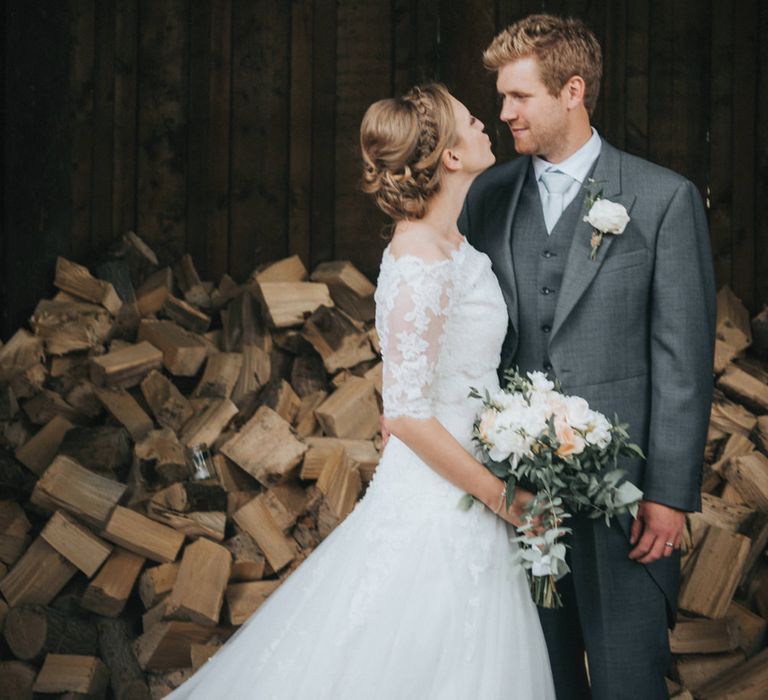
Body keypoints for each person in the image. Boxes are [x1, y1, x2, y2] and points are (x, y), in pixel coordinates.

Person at [167, 83, 555, 699]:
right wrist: (504, 497)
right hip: (444, 497)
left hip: (467, 484)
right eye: (473, 120)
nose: (487, 124)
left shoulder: (454, 246)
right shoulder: (421, 259)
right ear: (451, 158)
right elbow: (404, 414)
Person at [459, 14, 716, 700]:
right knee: (538, 679)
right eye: (502, 96)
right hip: (517, 494)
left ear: (572, 91)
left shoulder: (662, 200)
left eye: (519, 97)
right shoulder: (486, 196)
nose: (503, 111)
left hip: (625, 495)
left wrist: (667, 492)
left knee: (629, 679)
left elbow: (683, 361)